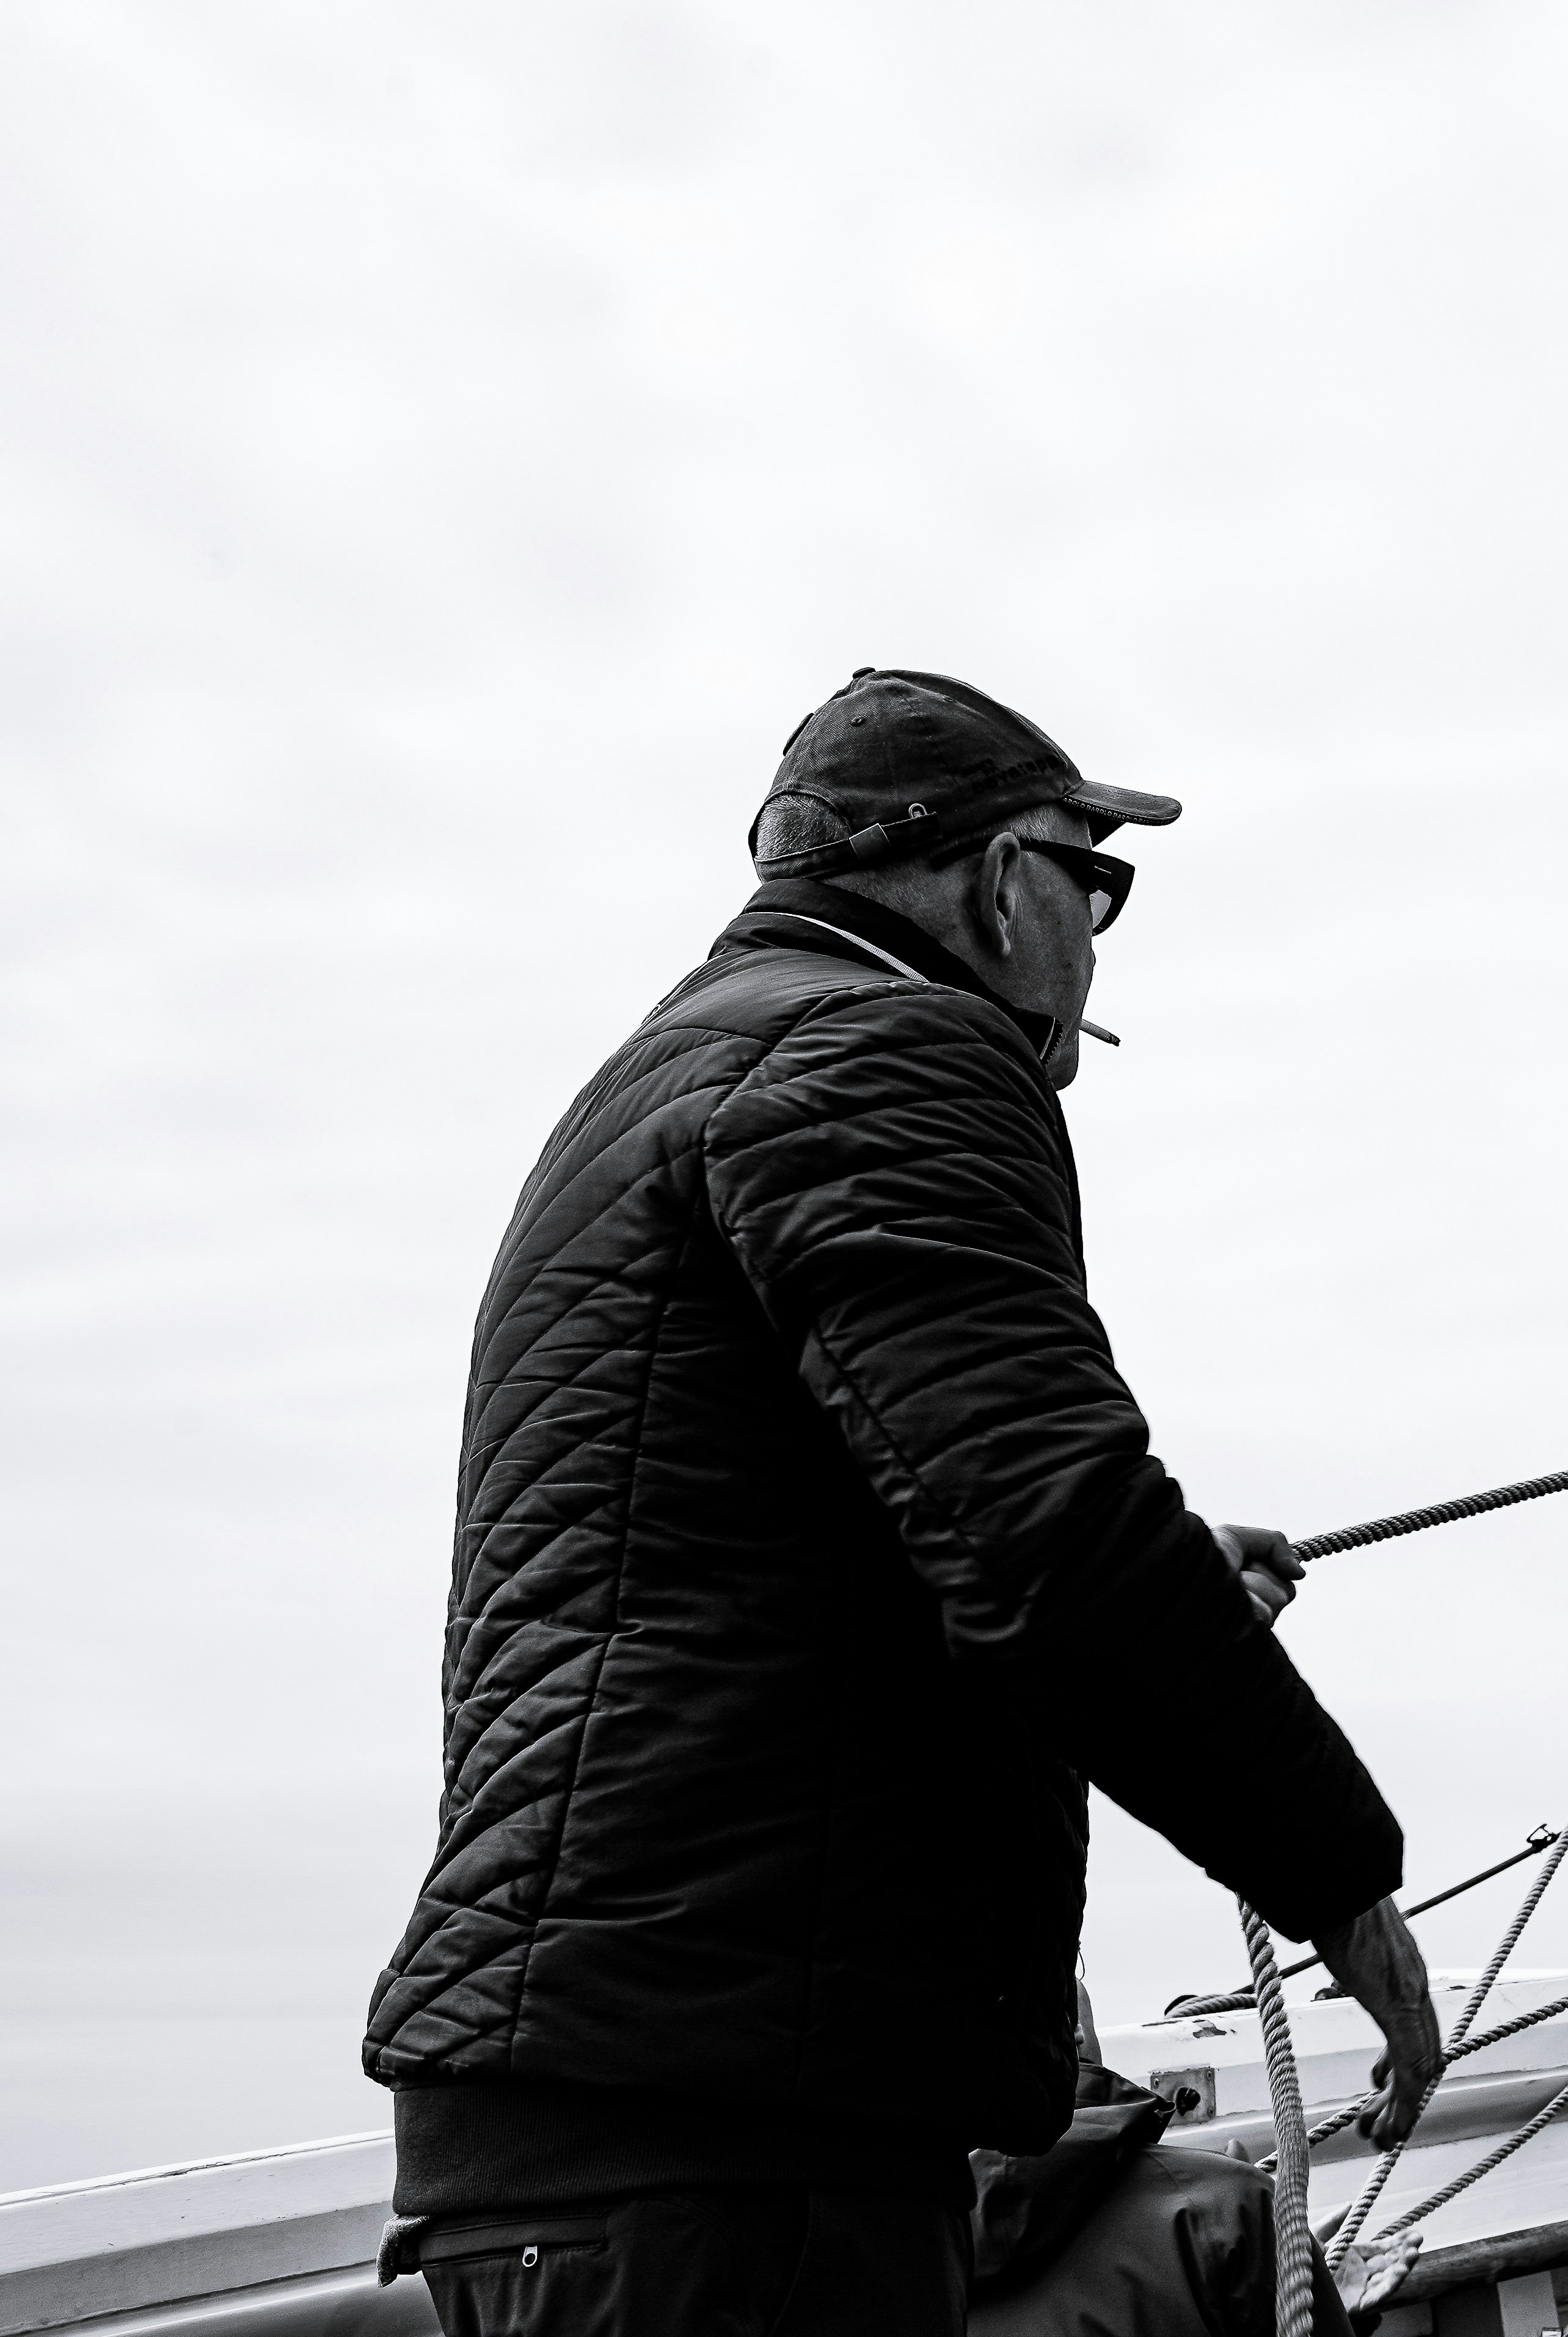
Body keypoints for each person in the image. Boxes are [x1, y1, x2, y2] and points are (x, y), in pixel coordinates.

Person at [364, 669, 1440, 2334]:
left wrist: (1164, 1564)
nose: (1093, 937)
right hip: (728, 2138)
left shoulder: (675, 1064)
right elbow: (1047, 1540)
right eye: (1095, 884)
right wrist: (1343, 1886)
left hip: (614, 2111)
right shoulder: (887, 1043)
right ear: (1003, 878)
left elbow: (858, 1520)